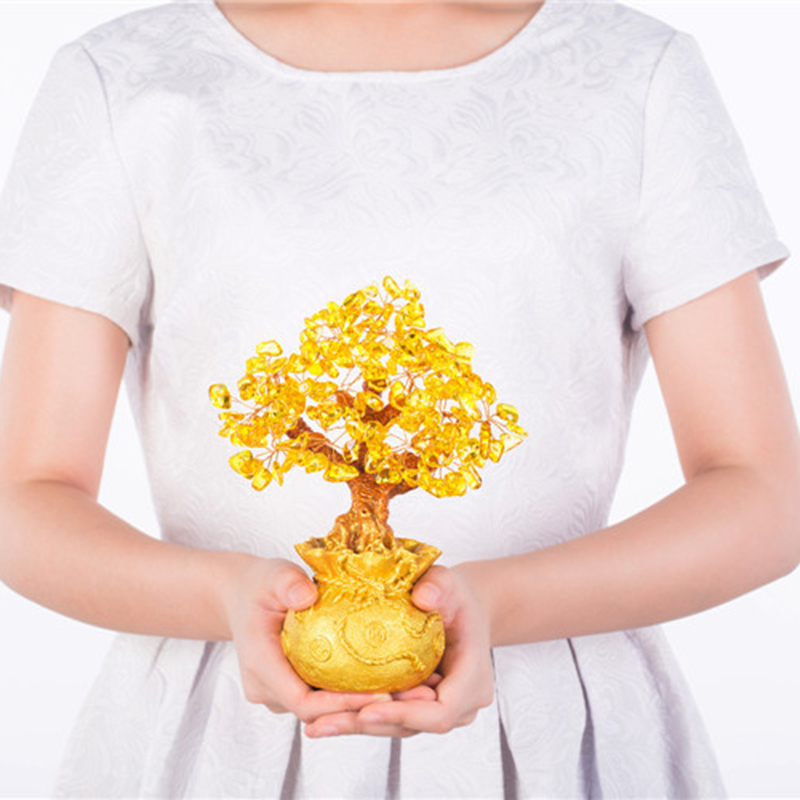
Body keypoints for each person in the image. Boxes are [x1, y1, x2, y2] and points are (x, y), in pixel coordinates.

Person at [0, 0, 797, 796]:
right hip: (222, 733)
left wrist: (499, 604)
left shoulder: (632, 72)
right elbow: (27, 498)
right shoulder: (126, 76)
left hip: (556, 731)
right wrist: (224, 596)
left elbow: (765, 494)